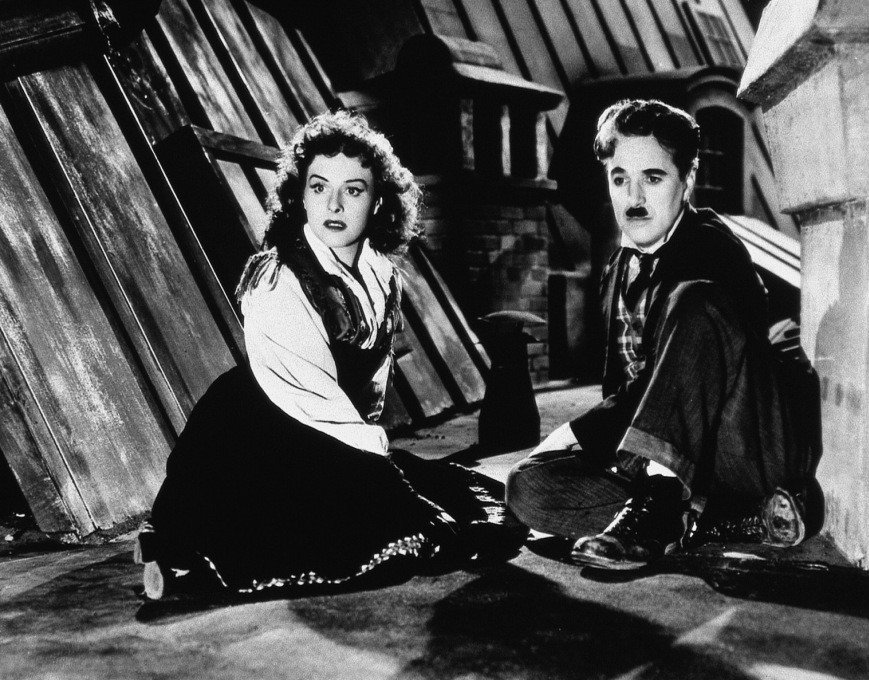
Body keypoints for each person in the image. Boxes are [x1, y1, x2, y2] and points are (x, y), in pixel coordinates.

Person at [136, 111, 524, 599]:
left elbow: (371, 386)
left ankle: (173, 550)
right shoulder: (277, 278)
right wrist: (374, 462)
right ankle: (180, 558)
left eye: (353, 190)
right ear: (300, 196)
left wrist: (369, 449)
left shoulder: (380, 272)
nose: (333, 205)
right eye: (319, 188)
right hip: (261, 431)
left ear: (377, 201)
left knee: (446, 498)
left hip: (326, 427)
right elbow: (311, 399)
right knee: (384, 520)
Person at [506, 99, 819, 571]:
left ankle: (662, 504)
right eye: (620, 179)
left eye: (652, 178)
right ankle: (712, 522)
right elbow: (625, 389)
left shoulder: (712, 248)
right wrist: (577, 452)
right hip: (670, 457)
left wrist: (574, 433)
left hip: (745, 447)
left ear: (687, 181)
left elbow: (675, 379)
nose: (634, 197)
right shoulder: (617, 268)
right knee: (525, 485)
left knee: (696, 299)